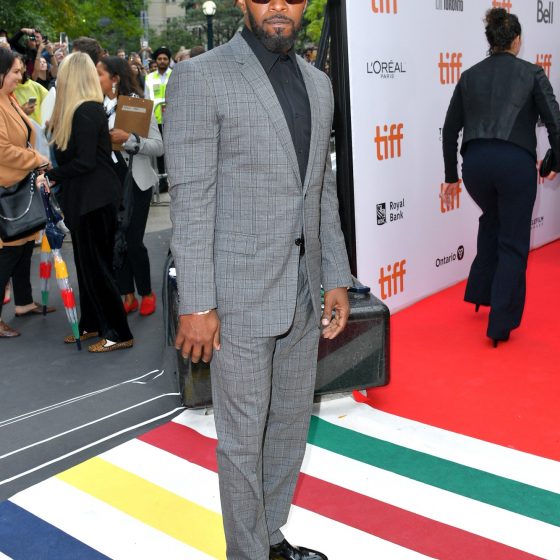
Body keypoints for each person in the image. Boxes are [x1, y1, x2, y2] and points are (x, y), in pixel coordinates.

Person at [164, 0, 352, 558]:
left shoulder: (319, 84)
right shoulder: (200, 78)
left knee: (290, 425)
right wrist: (197, 303)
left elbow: (320, 190)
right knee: (243, 441)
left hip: (303, 289)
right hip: (235, 297)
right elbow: (191, 202)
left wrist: (336, 275)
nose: (278, 6)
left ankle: (270, 537)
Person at [442, 8, 560, 346]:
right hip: (514, 165)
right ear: (517, 41)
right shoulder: (532, 73)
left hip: (476, 167)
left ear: (490, 40)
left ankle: (482, 291)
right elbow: (555, 124)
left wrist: (451, 175)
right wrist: (554, 161)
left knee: (493, 218)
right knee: (513, 241)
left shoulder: (469, 76)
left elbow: (450, 129)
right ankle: (500, 325)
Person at [37, 52, 133, 352]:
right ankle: (93, 323)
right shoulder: (82, 111)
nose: (57, 79)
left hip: (95, 199)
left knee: (98, 267)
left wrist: (52, 173)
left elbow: (85, 162)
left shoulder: (87, 111)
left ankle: (118, 332)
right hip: (86, 199)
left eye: (62, 74)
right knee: (86, 266)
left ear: (72, 78)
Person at [97, 56, 163, 316]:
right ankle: (127, 294)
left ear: (114, 78)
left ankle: (146, 292)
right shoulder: (94, 106)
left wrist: (129, 139)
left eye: (100, 74)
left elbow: (158, 146)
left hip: (136, 182)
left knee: (133, 240)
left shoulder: (136, 105)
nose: (95, 79)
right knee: (116, 240)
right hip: (107, 183)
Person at [0, 47, 51, 338]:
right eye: (16, 72)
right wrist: (36, 159)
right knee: (9, 252)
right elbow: (3, 151)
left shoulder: (8, 97)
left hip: (19, 185)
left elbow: (24, 135)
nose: (21, 77)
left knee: (23, 246)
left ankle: (24, 302)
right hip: (7, 189)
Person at [145, 46, 172, 192]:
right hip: (156, 120)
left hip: (172, 119)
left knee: (173, 150)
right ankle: (162, 182)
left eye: (165, 59)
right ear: (156, 60)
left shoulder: (174, 75)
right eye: (160, 59)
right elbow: (147, 98)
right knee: (160, 151)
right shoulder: (149, 78)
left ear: (169, 60)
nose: (162, 61)